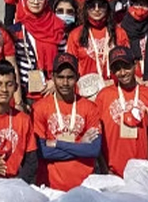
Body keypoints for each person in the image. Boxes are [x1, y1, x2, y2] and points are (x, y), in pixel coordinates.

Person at [31, 52, 103, 190]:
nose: (65, 83)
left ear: (77, 77)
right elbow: (41, 152)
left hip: (85, 186)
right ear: (52, 77)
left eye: (70, 77)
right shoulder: (39, 108)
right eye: (60, 77)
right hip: (50, 187)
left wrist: (57, 143)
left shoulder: (90, 108)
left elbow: (94, 149)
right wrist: (80, 145)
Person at [94, 46, 148, 177]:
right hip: (112, 172)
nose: (123, 72)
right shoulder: (103, 96)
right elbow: (98, 135)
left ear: (135, 65)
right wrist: (104, 168)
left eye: (126, 66)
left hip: (142, 171)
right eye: (117, 69)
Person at [11, 0, 67, 106]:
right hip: (27, 93)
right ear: (24, 0)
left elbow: (64, 56)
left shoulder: (58, 26)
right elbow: (14, 64)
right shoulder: (16, 31)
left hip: (54, 90)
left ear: (46, 0)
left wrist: (55, 81)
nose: (36, 2)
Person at [67, 0, 129, 89]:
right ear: (86, 8)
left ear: (107, 8)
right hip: (86, 91)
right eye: (92, 5)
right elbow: (70, 66)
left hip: (114, 88)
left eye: (101, 5)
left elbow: (128, 65)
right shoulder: (75, 35)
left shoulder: (119, 33)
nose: (96, 9)